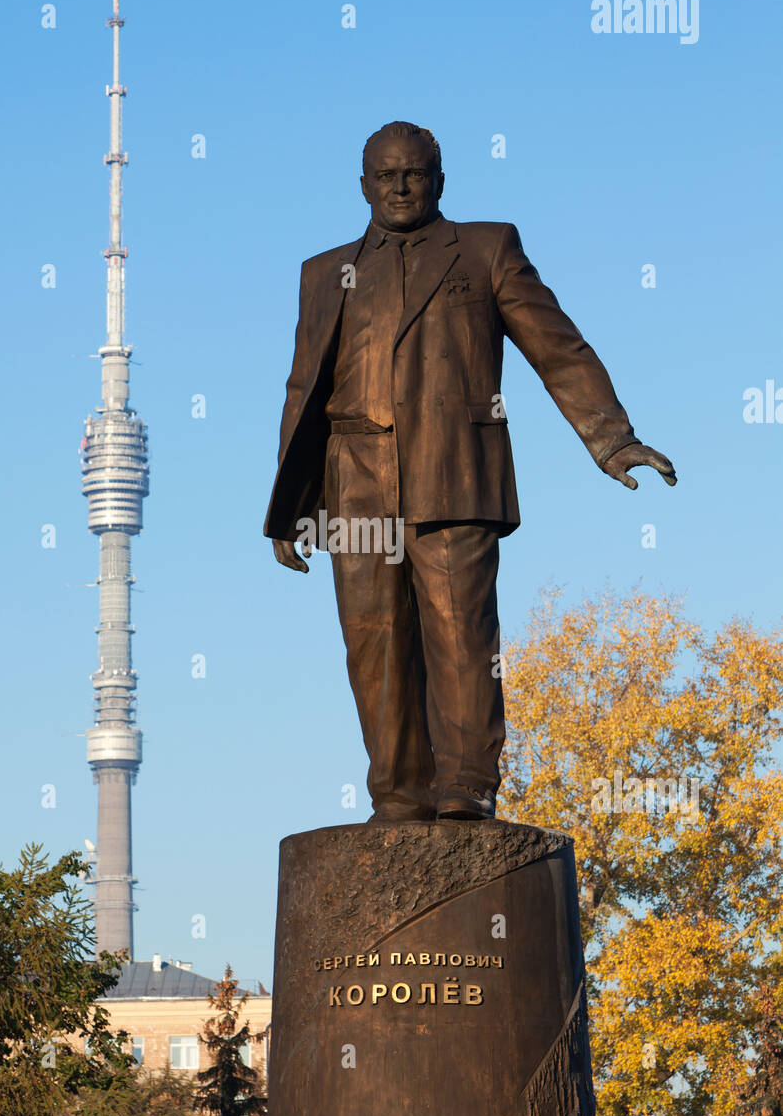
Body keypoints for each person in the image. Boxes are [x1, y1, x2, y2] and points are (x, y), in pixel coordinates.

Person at [264, 122, 676, 823]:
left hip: (452, 473)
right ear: (362, 183)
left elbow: (558, 346)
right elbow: (304, 388)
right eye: (385, 175)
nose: (399, 186)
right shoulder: (323, 273)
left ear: (440, 180)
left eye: (413, 173)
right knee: (374, 645)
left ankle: (465, 785)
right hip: (355, 483)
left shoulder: (486, 249)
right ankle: (397, 793)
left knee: (459, 637)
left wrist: (612, 439)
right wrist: (293, 498)